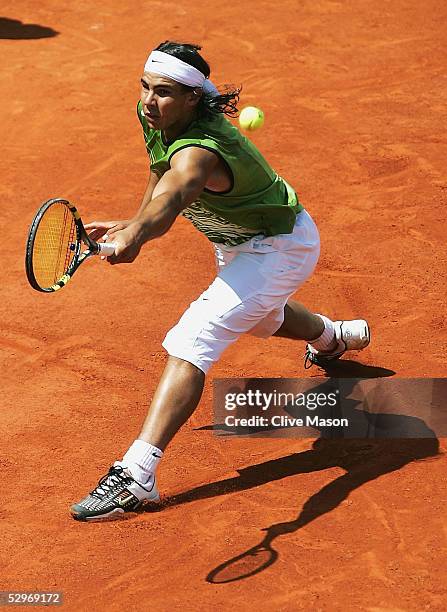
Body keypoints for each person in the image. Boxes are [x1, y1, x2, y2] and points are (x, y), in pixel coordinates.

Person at [70, 41, 370, 521]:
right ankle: (332, 337)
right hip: (237, 242)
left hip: (281, 247)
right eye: (145, 87)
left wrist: (141, 233)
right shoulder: (159, 116)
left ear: (193, 98)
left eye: (164, 92)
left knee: (196, 335)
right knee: (257, 316)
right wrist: (131, 222)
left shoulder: (200, 153)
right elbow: (158, 172)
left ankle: (136, 475)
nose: (150, 100)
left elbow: (175, 193)